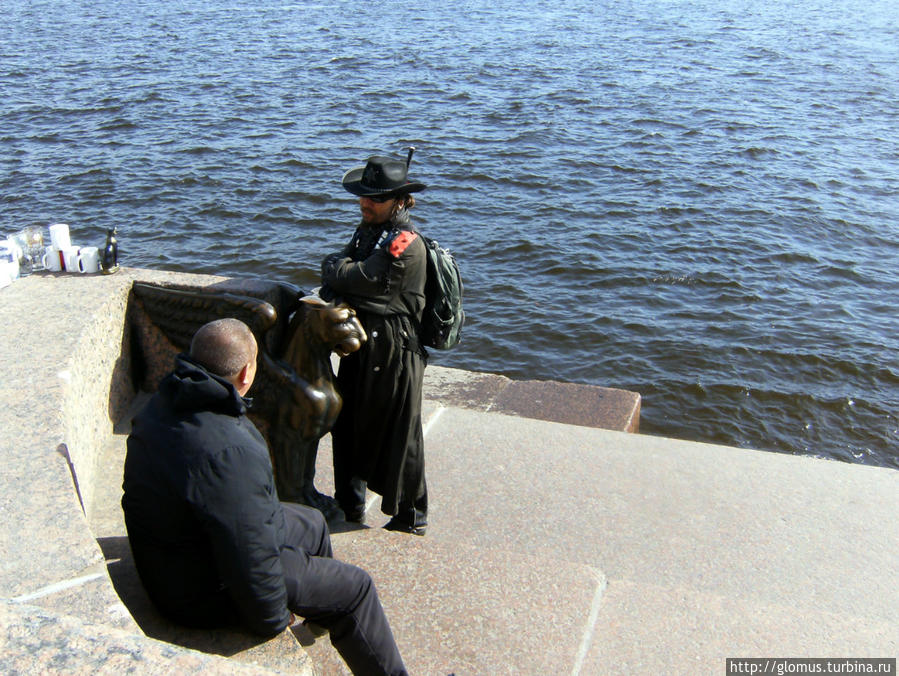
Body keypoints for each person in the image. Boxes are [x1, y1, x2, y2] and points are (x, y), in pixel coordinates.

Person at [121, 318, 408, 676]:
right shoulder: (231, 451)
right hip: (196, 591)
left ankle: (324, 615)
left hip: (175, 552)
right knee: (357, 587)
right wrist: (273, 620)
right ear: (246, 373)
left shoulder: (168, 399)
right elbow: (250, 560)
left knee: (313, 521)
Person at [320, 153, 429, 535]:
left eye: (375, 198)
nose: (366, 203)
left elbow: (362, 278)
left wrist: (338, 271)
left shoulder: (405, 242)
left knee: (400, 434)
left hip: (396, 353)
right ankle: (348, 505)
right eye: (364, 196)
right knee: (346, 423)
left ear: (399, 201)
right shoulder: (368, 231)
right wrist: (340, 273)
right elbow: (343, 274)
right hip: (363, 345)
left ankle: (411, 516)